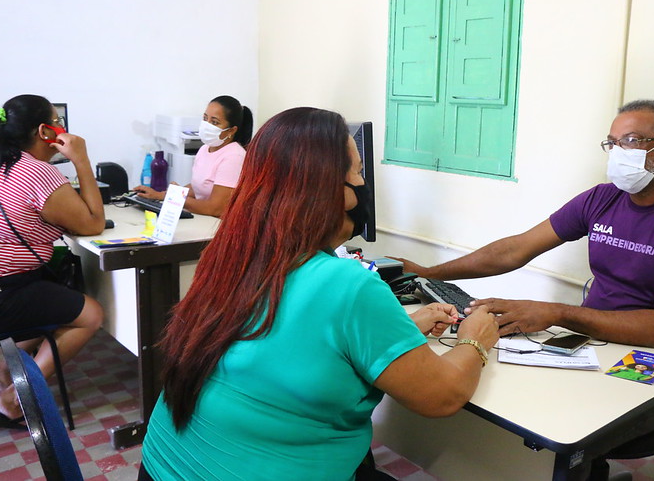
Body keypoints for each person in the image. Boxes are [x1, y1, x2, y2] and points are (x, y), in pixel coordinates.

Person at [138, 107, 499, 481]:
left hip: (160, 468)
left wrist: (400, 327)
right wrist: (475, 340)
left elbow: (283, 340)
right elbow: (441, 396)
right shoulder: (349, 284)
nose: (363, 185)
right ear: (328, 191)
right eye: (357, 173)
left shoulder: (229, 256)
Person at [393, 99, 654, 479]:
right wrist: (431, 271)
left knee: (559, 425)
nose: (620, 153)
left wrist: (556, 312)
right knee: (500, 394)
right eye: (612, 143)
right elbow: (514, 250)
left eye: (633, 140)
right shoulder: (602, 199)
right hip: (591, 346)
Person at [0, 95, 105, 429]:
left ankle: (1, 374)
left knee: (53, 299)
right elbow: (92, 224)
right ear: (45, 130)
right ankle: (14, 399)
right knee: (90, 314)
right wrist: (81, 160)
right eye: (56, 122)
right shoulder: (39, 174)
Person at [134, 95, 253, 217]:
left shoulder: (234, 156)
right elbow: (199, 188)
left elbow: (216, 208)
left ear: (231, 130)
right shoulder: (204, 149)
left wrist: (173, 197)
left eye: (215, 122)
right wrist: (160, 195)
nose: (207, 125)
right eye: (205, 118)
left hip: (219, 225)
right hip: (202, 219)